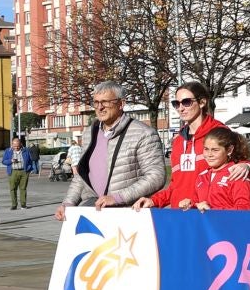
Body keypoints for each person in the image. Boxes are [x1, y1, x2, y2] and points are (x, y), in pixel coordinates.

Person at [55, 83, 168, 222]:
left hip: (128, 215)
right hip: (93, 212)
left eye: (105, 102)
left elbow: (156, 176)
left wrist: (117, 198)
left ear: (121, 103)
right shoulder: (89, 133)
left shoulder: (144, 134)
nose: (100, 107)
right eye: (96, 102)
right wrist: (68, 203)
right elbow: (82, 176)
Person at [146, 81, 247, 211]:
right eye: (176, 104)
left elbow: (241, 164)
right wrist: (153, 200)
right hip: (180, 215)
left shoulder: (218, 131)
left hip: (206, 215)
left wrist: (247, 166)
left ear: (202, 102)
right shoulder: (178, 141)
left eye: (186, 102)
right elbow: (175, 185)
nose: (181, 108)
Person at [139, 126, 250, 212]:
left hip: (227, 237)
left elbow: (245, 211)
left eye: (215, 150)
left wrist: (213, 211)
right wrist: (190, 204)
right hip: (204, 235)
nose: (209, 154)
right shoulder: (202, 176)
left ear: (229, 150)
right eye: (206, 149)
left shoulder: (238, 174)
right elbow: (196, 202)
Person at [2, 136, 36, 209]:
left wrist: (29, 169)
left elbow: (31, 160)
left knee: (23, 188)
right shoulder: (8, 151)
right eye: (14, 146)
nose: (16, 147)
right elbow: (3, 161)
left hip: (24, 172)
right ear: (12, 144)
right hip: (13, 172)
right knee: (12, 189)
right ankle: (14, 205)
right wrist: (10, 161)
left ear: (20, 144)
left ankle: (23, 204)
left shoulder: (26, 150)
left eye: (17, 146)